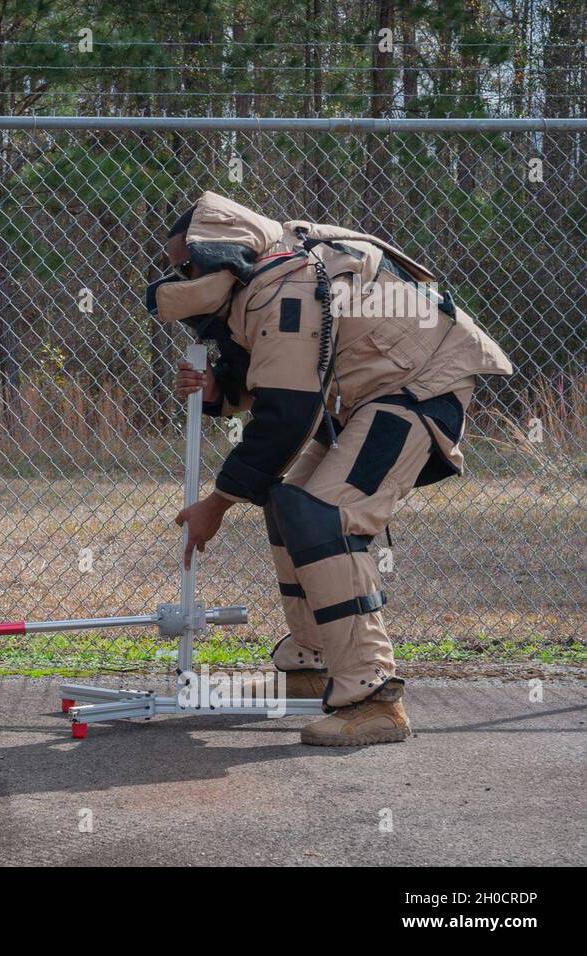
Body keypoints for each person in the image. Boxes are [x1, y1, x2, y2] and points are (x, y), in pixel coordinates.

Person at [149, 192, 512, 745]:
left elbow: (287, 415)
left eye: (186, 265)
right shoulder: (270, 275)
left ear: (224, 250)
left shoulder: (285, 283)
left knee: (325, 516)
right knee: (288, 500)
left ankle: (373, 696)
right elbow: (268, 376)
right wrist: (218, 389)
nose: (179, 275)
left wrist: (215, 505)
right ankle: (311, 667)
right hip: (363, 398)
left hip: (417, 392)